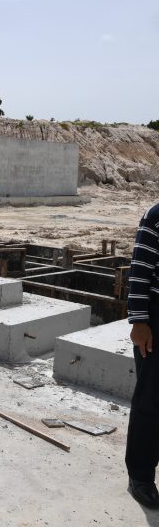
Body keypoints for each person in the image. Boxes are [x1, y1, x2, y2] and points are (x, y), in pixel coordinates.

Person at [126, 202, 159, 509]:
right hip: (156, 319)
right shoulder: (156, 217)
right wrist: (139, 321)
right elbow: (139, 271)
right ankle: (141, 475)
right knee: (150, 399)